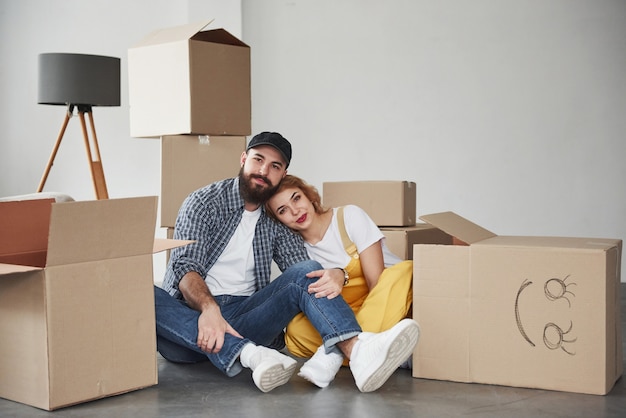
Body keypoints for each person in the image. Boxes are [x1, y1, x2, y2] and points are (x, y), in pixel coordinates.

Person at [155, 131, 420, 393]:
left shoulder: (275, 218)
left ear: (282, 174)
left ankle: (355, 350)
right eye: (258, 160)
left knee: (306, 272)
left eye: (274, 166)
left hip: (248, 315)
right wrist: (209, 309)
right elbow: (185, 266)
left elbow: (303, 270)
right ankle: (251, 355)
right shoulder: (204, 202)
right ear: (244, 158)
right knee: (142, 293)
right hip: (191, 320)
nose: (263, 170)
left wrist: (340, 273)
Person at [265, 174, 414, 388]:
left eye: (296, 198)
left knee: (401, 272)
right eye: (283, 210)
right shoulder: (296, 253)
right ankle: (369, 350)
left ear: (308, 195)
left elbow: (376, 282)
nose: (294, 211)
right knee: (295, 332)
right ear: (278, 220)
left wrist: (341, 275)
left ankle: (335, 352)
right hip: (348, 311)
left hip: (387, 297)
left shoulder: (348, 217)